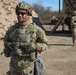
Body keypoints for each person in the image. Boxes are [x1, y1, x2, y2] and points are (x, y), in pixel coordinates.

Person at [3, 2, 48, 75]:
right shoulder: (12, 30)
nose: (20, 15)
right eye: (18, 13)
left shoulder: (36, 29)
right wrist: (8, 45)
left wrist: (35, 46)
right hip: (14, 67)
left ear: (28, 14)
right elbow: (6, 41)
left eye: (23, 13)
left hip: (29, 67)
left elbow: (46, 44)